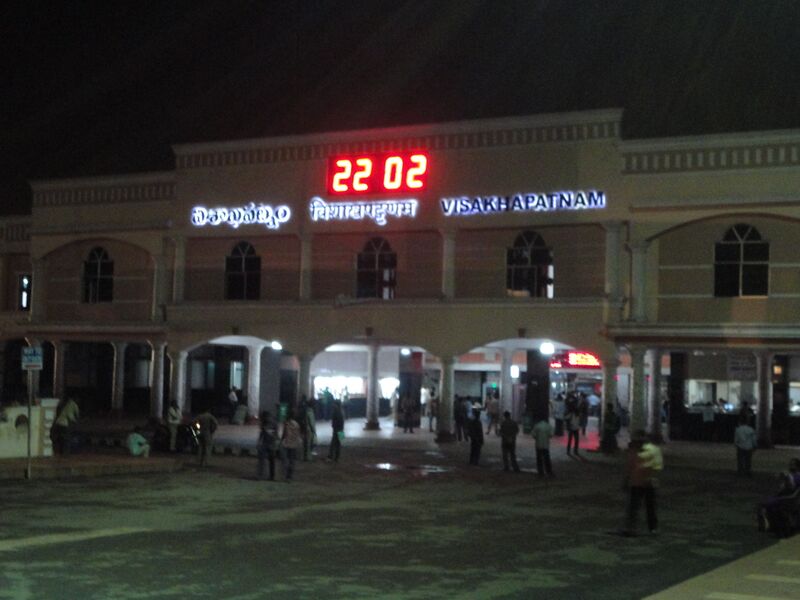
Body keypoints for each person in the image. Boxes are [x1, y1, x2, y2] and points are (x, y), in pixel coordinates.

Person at [621, 431, 662, 536]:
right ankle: (653, 528)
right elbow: (656, 468)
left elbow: (629, 468)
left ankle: (631, 528)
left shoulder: (633, 452)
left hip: (637, 483)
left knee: (633, 507)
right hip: (648, 483)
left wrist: (625, 480)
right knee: (650, 507)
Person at [281, 410, 302, 481]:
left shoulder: (287, 424)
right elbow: (298, 435)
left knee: (285, 460)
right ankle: (289, 476)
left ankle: (286, 475)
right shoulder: (297, 424)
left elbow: (284, 434)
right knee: (292, 461)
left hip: (287, 444)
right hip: (294, 444)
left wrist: (281, 441)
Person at [257, 411, 277, 480]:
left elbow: (261, 434)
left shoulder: (264, 423)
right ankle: (272, 476)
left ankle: (260, 475)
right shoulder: (274, 423)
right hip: (271, 444)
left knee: (262, 461)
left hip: (266, 444)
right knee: (271, 462)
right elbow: (276, 435)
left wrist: (259, 442)